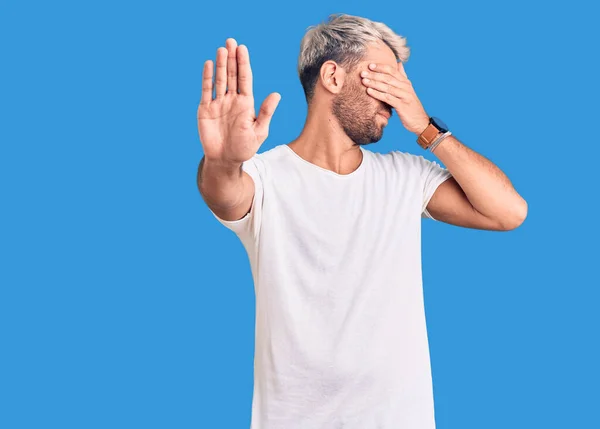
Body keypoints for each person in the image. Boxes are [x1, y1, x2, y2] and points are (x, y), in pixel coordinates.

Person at [196, 13, 527, 429]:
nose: (396, 98)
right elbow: (224, 192)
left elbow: (508, 212)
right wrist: (223, 160)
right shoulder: (265, 178)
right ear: (332, 76)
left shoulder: (406, 177)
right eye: (384, 80)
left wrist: (427, 129)